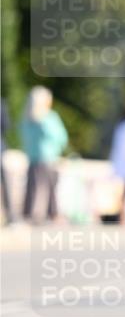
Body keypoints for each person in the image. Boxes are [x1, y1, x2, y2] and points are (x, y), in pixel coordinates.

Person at [20, 86, 69, 223]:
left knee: (32, 186)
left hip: (32, 157)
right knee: (50, 187)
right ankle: (52, 214)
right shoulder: (48, 117)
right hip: (48, 157)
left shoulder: (26, 118)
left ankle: (28, 214)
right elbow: (61, 137)